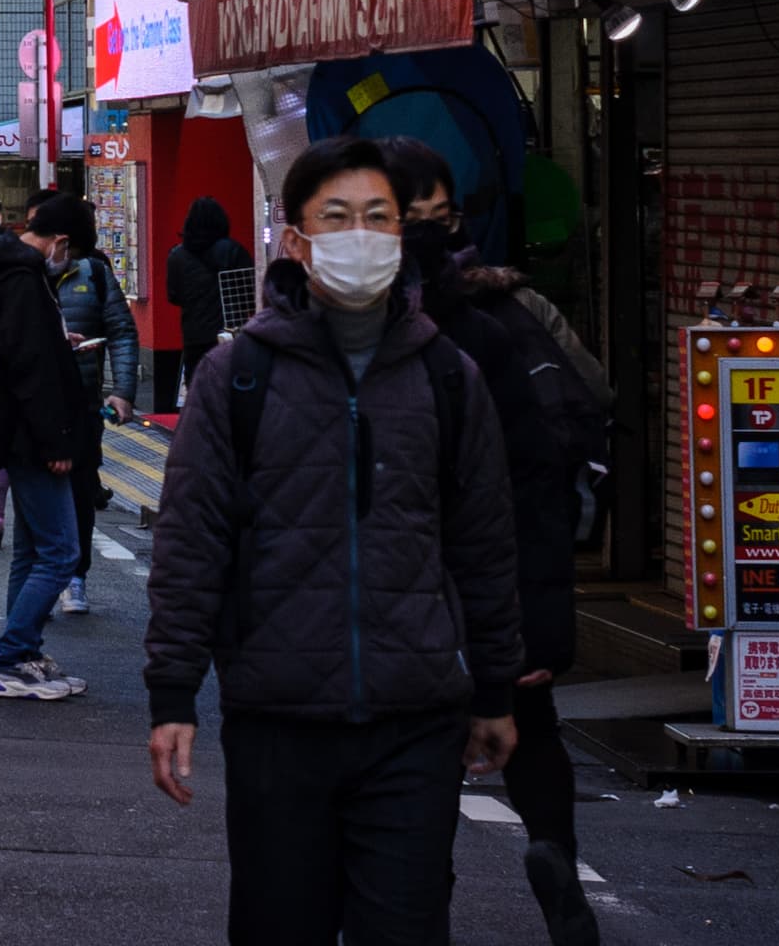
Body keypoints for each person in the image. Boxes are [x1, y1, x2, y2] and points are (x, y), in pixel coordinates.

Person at [142, 137, 522, 946]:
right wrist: (173, 694)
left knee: (407, 929)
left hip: (415, 716)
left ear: (404, 234)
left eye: (379, 218)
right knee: (282, 927)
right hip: (277, 716)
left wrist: (494, 686)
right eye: (338, 218)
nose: (361, 236)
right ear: (296, 239)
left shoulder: (447, 376)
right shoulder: (239, 375)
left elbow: (483, 542)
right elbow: (191, 539)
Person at [382, 140, 612, 946]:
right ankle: (554, 854)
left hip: (406, 598)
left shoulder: (374, 338)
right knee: (530, 725)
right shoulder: (507, 318)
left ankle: (423, 903)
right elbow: (550, 466)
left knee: (415, 763)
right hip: (499, 588)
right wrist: (539, 629)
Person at [0, 202, 100, 698]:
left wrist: (60, 342)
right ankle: (12, 654)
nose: (67, 257)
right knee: (62, 551)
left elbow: (22, 354)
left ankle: (26, 653)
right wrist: (56, 440)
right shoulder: (23, 282)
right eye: (69, 249)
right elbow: (30, 370)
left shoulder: (6, 274)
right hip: (33, 438)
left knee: (32, 550)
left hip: (15, 433)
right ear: (59, 241)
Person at [36, 191, 141, 615]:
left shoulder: (94, 273)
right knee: (34, 493)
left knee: (80, 489)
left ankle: (75, 575)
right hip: (34, 404)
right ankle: (40, 576)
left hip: (81, 403)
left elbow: (122, 331)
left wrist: (122, 391)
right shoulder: (24, 274)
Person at [163, 195, 251, 412]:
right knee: (231, 392)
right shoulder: (232, 250)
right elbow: (249, 290)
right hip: (231, 333)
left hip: (194, 334)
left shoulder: (177, 255)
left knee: (198, 391)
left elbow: (174, 296)